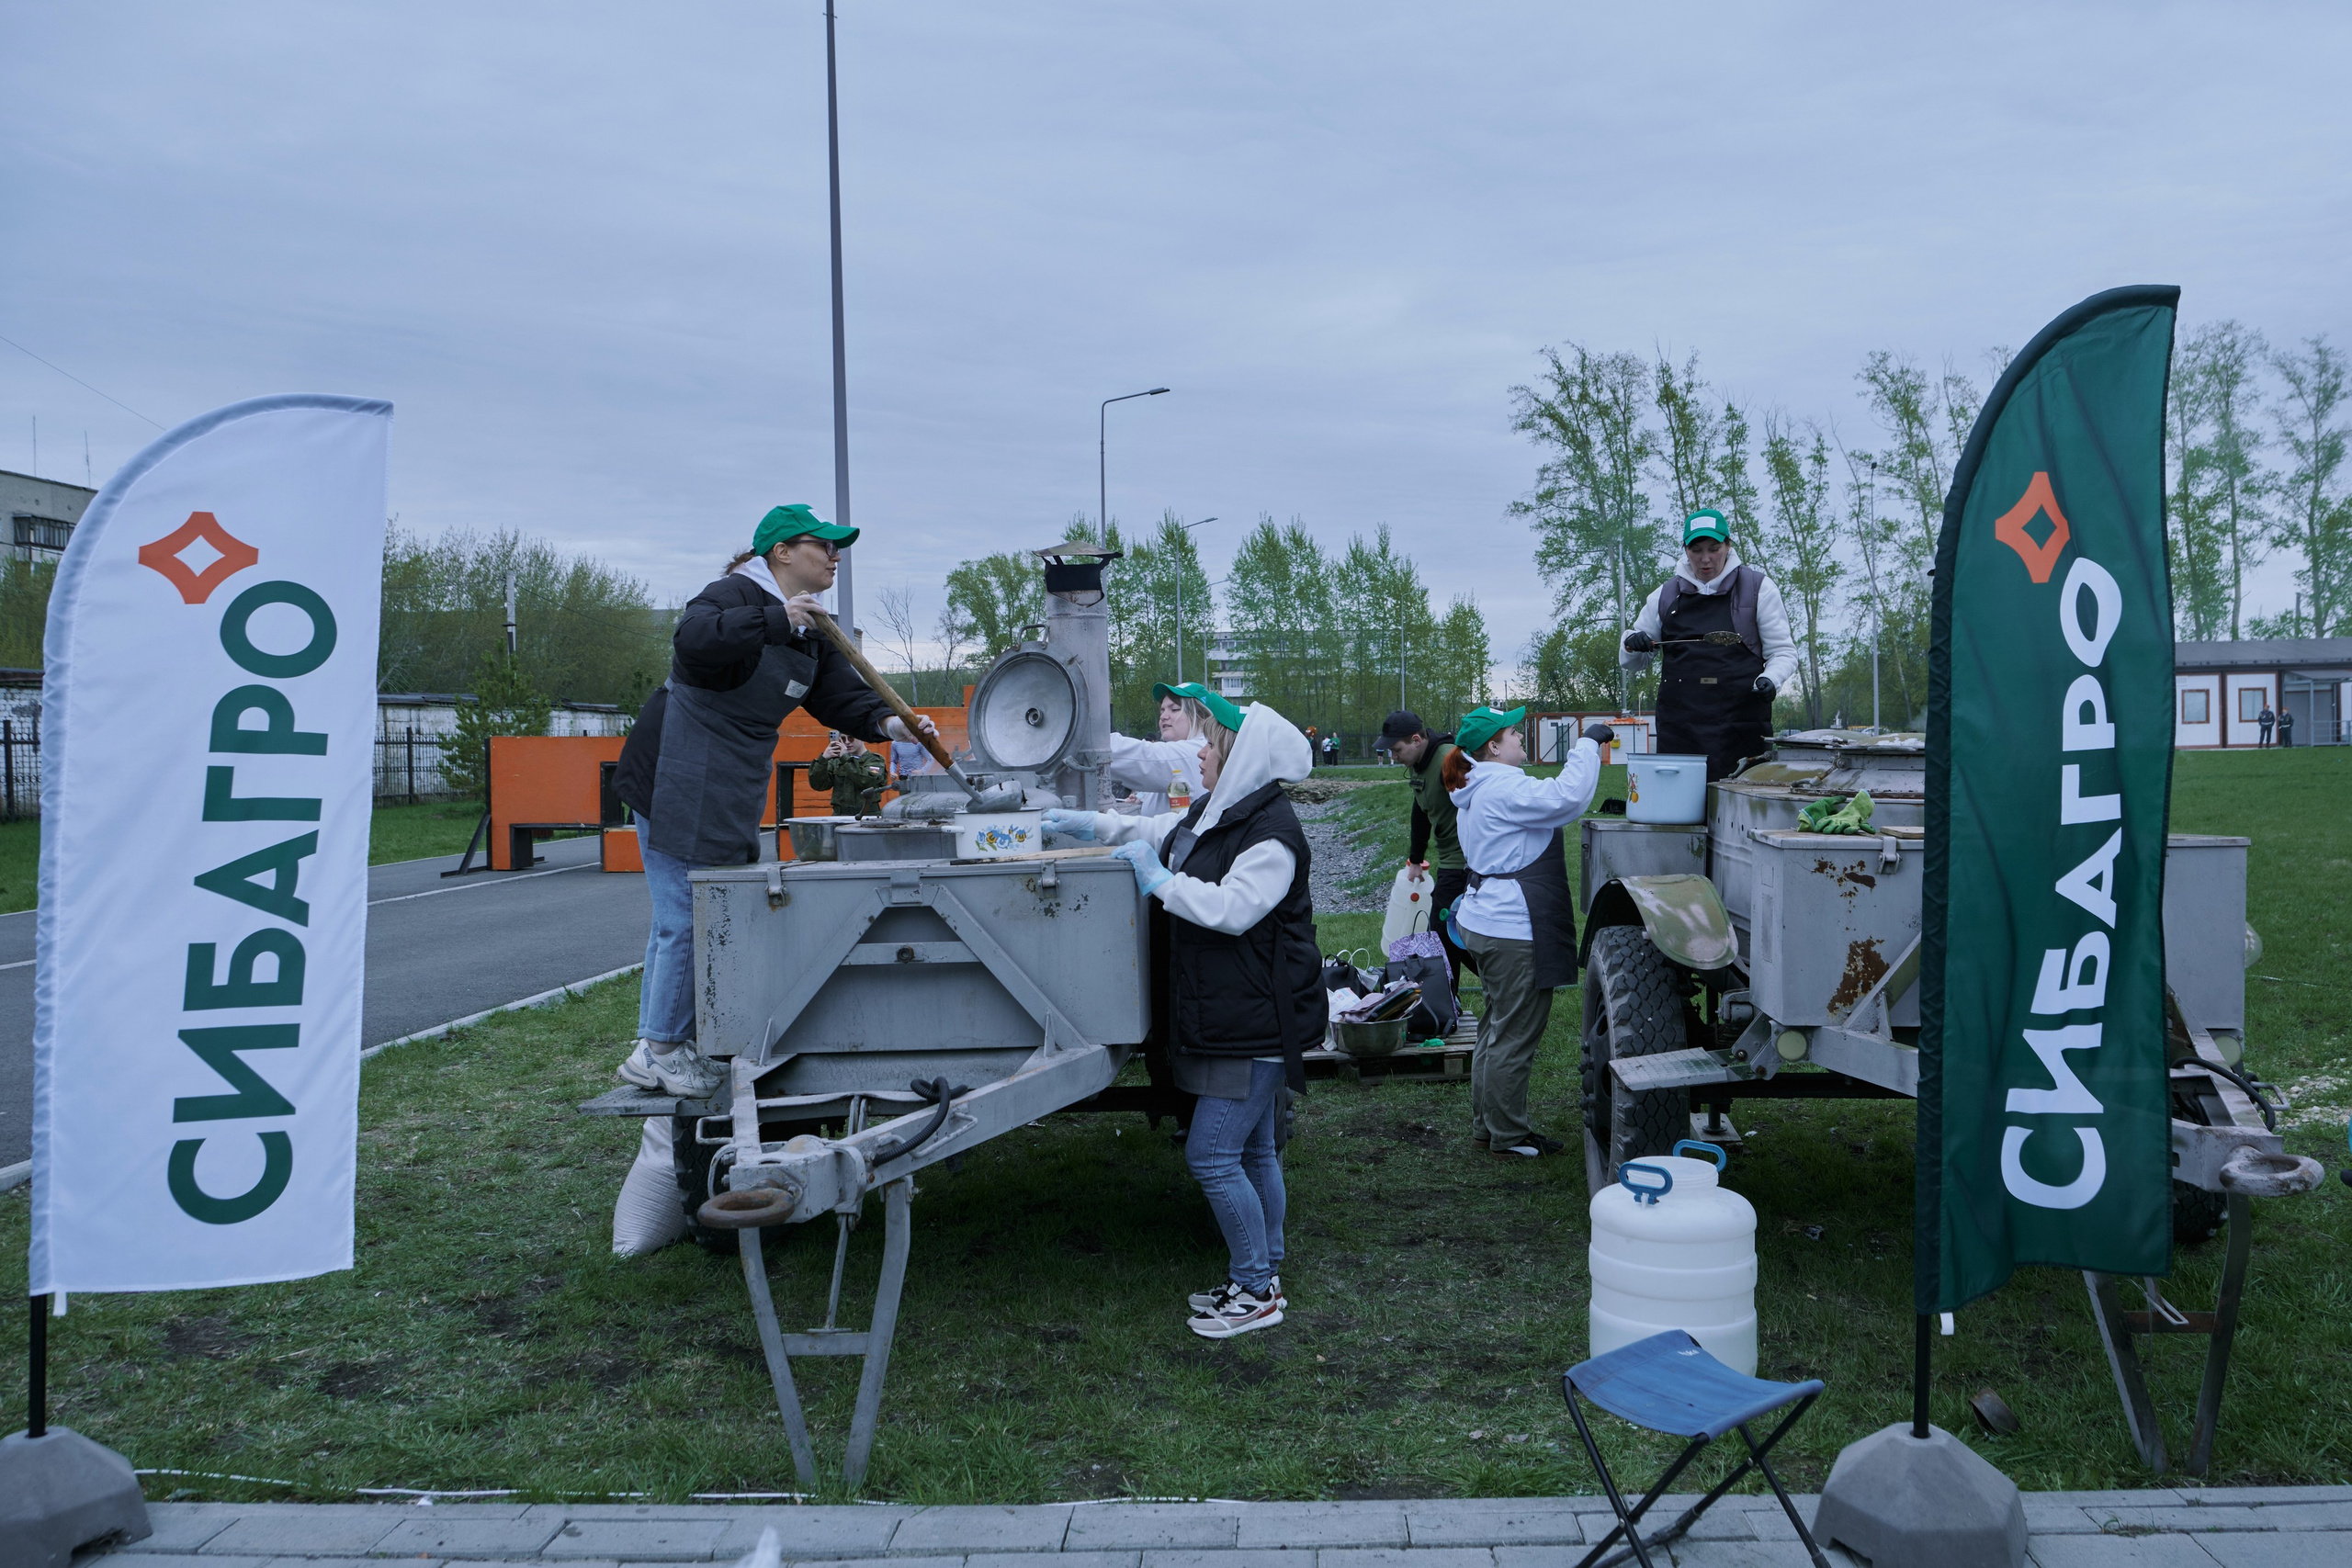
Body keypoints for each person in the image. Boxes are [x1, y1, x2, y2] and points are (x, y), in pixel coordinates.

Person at [610, 504, 938, 1098]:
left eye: (839, 549)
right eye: (824, 546)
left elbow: (842, 698)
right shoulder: (734, 594)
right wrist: (773, 618)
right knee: (685, 915)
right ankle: (658, 1048)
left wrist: (895, 725)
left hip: (731, 777)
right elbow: (693, 639)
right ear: (782, 551)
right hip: (675, 769)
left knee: (714, 912)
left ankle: (672, 1042)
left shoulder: (818, 631)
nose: (835, 557)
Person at [1041, 692, 1318, 1340]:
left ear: (1239, 756)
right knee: (1253, 1151)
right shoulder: (1221, 810)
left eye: (1213, 743)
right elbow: (1158, 834)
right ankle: (1263, 1271)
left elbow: (1232, 908)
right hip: (1237, 1015)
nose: (1201, 749)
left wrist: (1158, 882)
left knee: (1213, 1153)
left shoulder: (1272, 833)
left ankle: (1255, 1290)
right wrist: (1091, 824)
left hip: (1258, 1022)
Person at [1445, 705, 1611, 1159]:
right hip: (1509, 927)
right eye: (1514, 733)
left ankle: (1487, 1128)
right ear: (1493, 746)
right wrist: (1587, 744)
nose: (1521, 739)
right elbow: (1566, 799)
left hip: (1486, 919)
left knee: (1495, 1028)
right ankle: (1508, 1136)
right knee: (1514, 1033)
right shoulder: (1501, 785)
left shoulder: (1477, 783)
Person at [1619, 509, 1800, 779]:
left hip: (1741, 728)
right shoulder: (1664, 595)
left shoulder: (1759, 589)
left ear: (1728, 546)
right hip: (1679, 730)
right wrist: (1632, 643)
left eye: (1714, 549)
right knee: (1680, 815)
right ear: (1685, 550)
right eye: (1697, 550)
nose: (1705, 559)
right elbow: (1634, 660)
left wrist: (1771, 679)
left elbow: (1783, 652)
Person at [1375, 710, 1472, 985]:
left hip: (1465, 863)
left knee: (1443, 933)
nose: (1394, 757)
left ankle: (1448, 1005)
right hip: (1451, 861)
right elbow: (1420, 812)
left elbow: (1481, 804)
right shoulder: (1420, 765)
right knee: (1448, 933)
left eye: (1397, 749)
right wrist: (1415, 859)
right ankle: (1457, 1000)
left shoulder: (1448, 761)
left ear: (1416, 740)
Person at [1105, 683, 1208, 815]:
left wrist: (1092, 741)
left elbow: (1142, 757)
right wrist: (1143, 799)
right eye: (1162, 710)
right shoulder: (1182, 755)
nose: (1163, 716)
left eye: (1174, 709)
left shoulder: (1194, 752)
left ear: (1199, 716)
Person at [808, 731, 888, 817]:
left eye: (851, 738)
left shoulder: (875, 760)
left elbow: (866, 780)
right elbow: (819, 785)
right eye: (842, 739)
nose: (847, 742)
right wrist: (823, 760)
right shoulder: (836, 761)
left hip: (867, 815)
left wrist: (845, 759)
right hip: (840, 815)